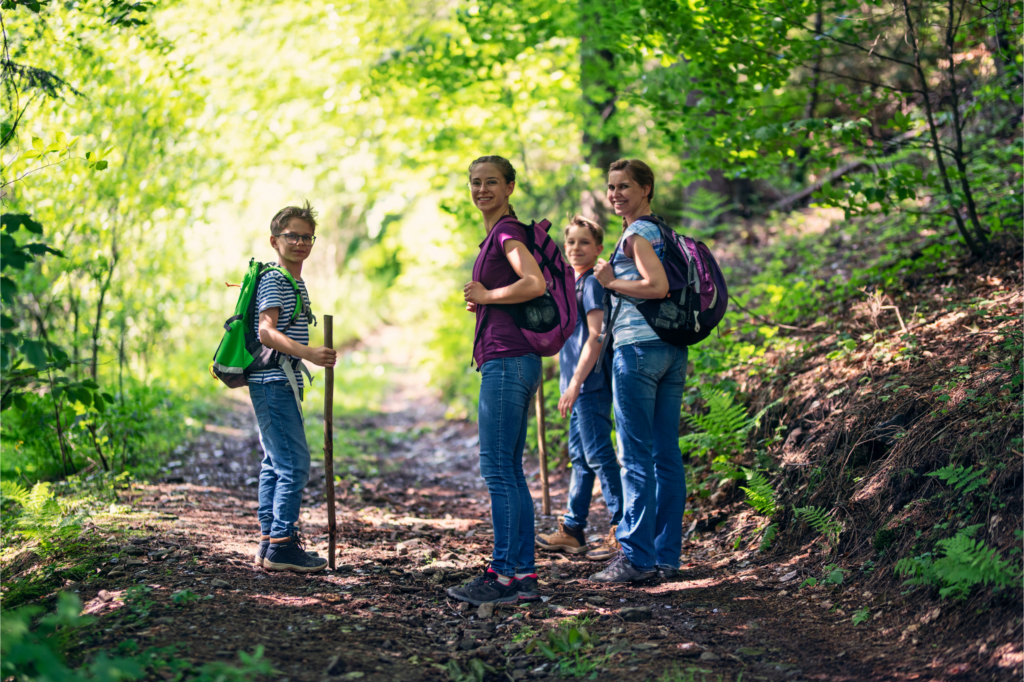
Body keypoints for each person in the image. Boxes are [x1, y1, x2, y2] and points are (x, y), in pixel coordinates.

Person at [447, 155, 546, 605]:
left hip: (508, 361)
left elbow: (535, 282)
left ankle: (504, 574)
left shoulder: (507, 232)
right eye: (475, 182)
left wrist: (489, 294)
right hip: (512, 359)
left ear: (509, 187)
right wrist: (488, 303)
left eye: (491, 182)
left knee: (498, 470)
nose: (481, 189)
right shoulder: (496, 234)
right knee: (509, 470)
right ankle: (521, 574)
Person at [589, 159, 688, 583]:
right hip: (671, 349)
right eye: (611, 187)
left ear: (646, 189)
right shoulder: (664, 232)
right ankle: (666, 555)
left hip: (638, 350)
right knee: (666, 455)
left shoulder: (636, 234)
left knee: (635, 457)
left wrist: (611, 282)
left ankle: (636, 557)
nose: (616, 195)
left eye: (625, 186)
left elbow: (657, 286)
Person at [251, 202, 338, 573]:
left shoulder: (293, 280)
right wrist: (309, 354)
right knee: (295, 465)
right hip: (272, 380)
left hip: (278, 381)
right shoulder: (275, 279)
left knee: (276, 463)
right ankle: (282, 546)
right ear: (275, 240)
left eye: (307, 237)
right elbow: (266, 332)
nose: (301, 242)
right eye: (292, 236)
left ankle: (270, 541)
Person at [536, 215, 624, 560]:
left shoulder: (591, 284)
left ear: (598, 248)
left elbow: (597, 336)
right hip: (575, 385)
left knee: (600, 457)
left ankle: (622, 529)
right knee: (581, 459)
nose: (576, 248)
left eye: (584, 242)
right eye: (570, 242)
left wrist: (574, 384)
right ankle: (573, 530)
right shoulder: (570, 283)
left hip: (590, 385)